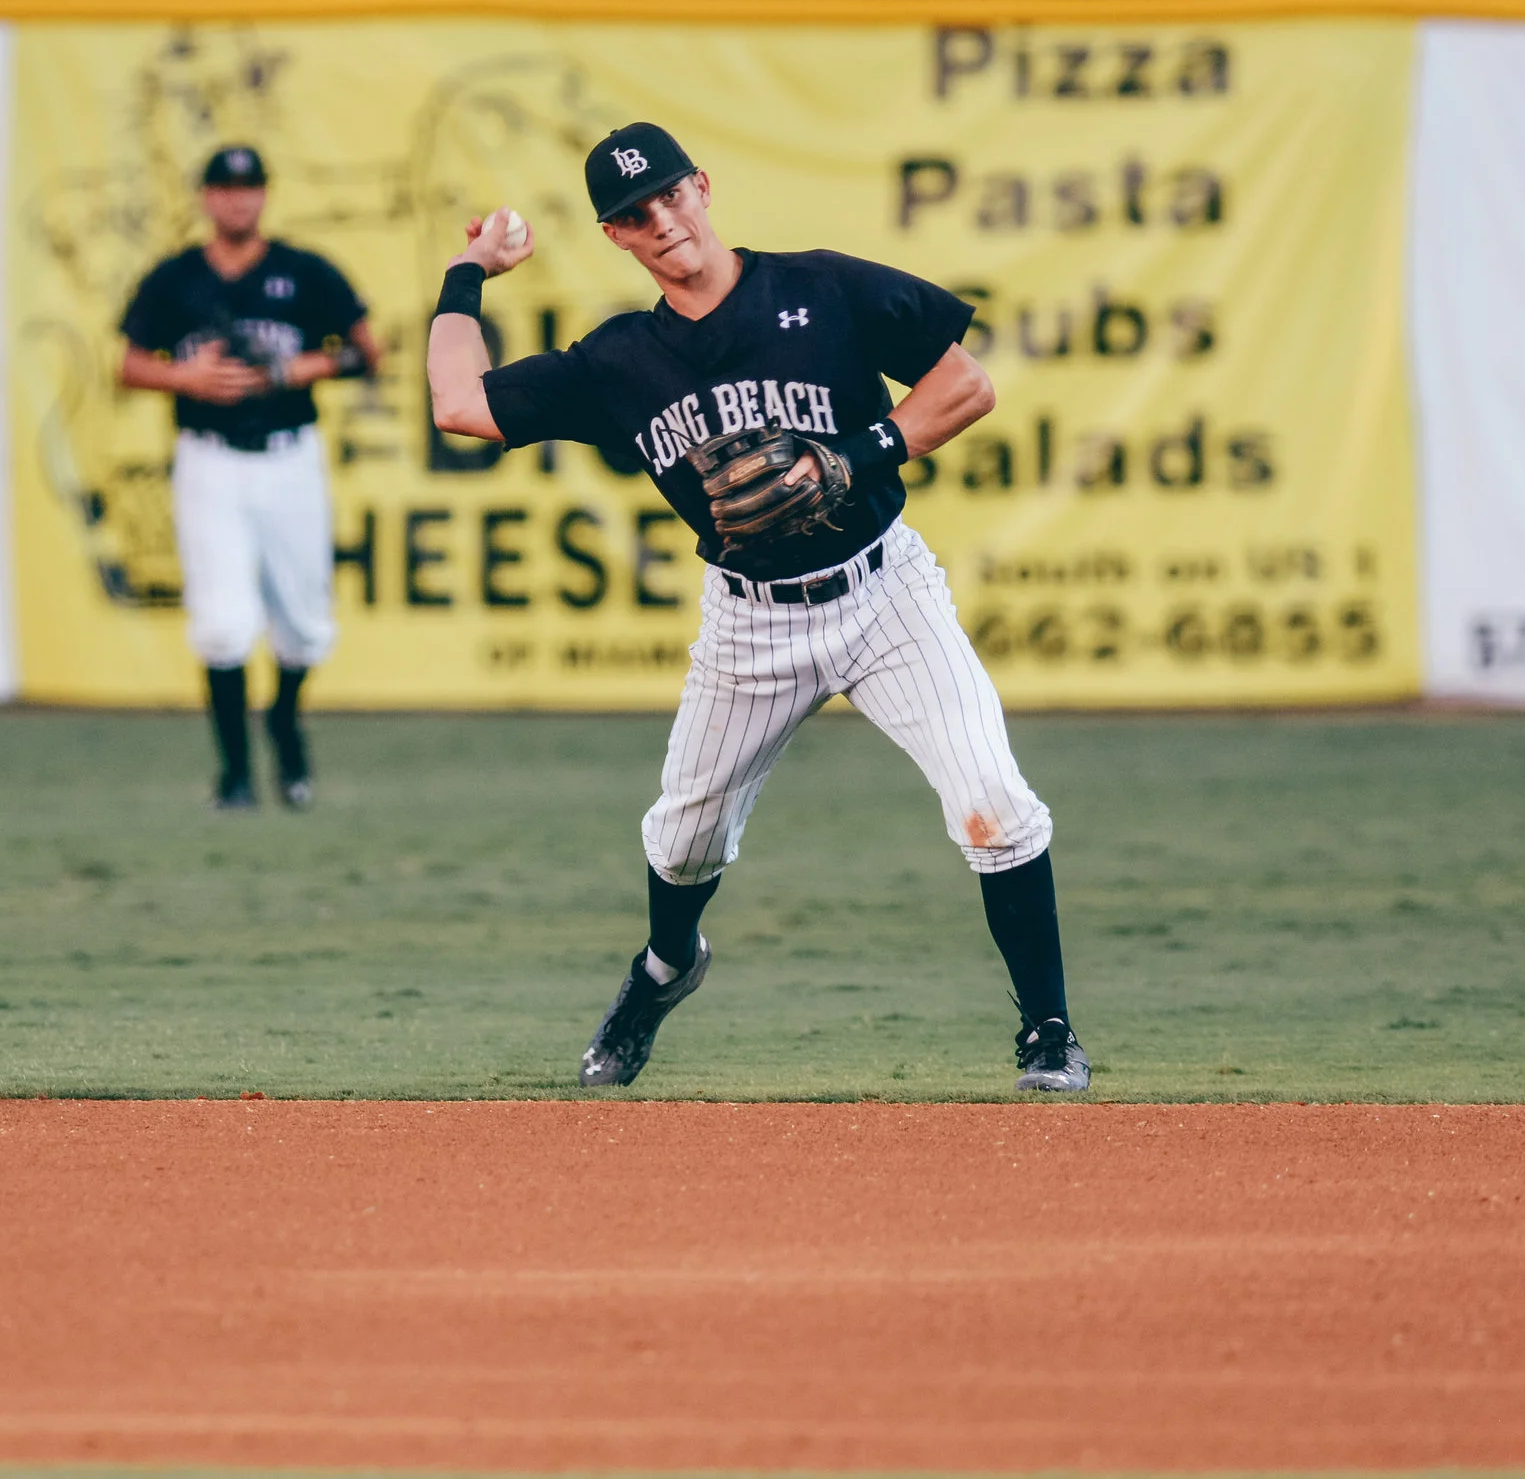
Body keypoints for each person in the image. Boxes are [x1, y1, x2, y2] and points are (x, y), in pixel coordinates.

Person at [425, 123, 1087, 1093]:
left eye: (665, 197)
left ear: (701, 187)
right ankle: (663, 967)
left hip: (882, 589)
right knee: (684, 839)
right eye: (630, 216)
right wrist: (464, 272)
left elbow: (964, 385)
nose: (658, 223)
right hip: (749, 621)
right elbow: (460, 405)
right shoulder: (619, 361)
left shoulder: (823, 288)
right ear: (615, 237)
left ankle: (1049, 1029)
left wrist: (852, 456)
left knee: (993, 802)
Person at [118, 146, 379, 810]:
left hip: (290, 456)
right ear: (206, 198)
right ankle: (235, 773)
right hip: (209, 458)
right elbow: (128, 364)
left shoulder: (304, 271)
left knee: (304, 623)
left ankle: (285, 723)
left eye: (249, 187)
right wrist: (183, 376)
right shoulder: (176, 279)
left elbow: (365, 352)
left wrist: (297, 369)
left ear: (264, 195)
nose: (238, 199)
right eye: (225, 188)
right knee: (223, 622)